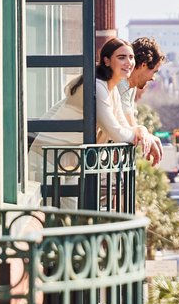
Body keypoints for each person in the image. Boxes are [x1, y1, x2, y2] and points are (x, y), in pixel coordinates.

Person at [30, 39, 163, 190]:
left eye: (131, 57)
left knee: (74, 213)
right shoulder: (97, 87)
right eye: (121, 57)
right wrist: (142, 138)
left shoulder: (112, 91)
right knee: (44, 213)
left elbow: (125, 127)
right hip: (45, 161)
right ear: (107, 61)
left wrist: (142, 131)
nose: (128, 62)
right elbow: (118, 134)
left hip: (67, 164)